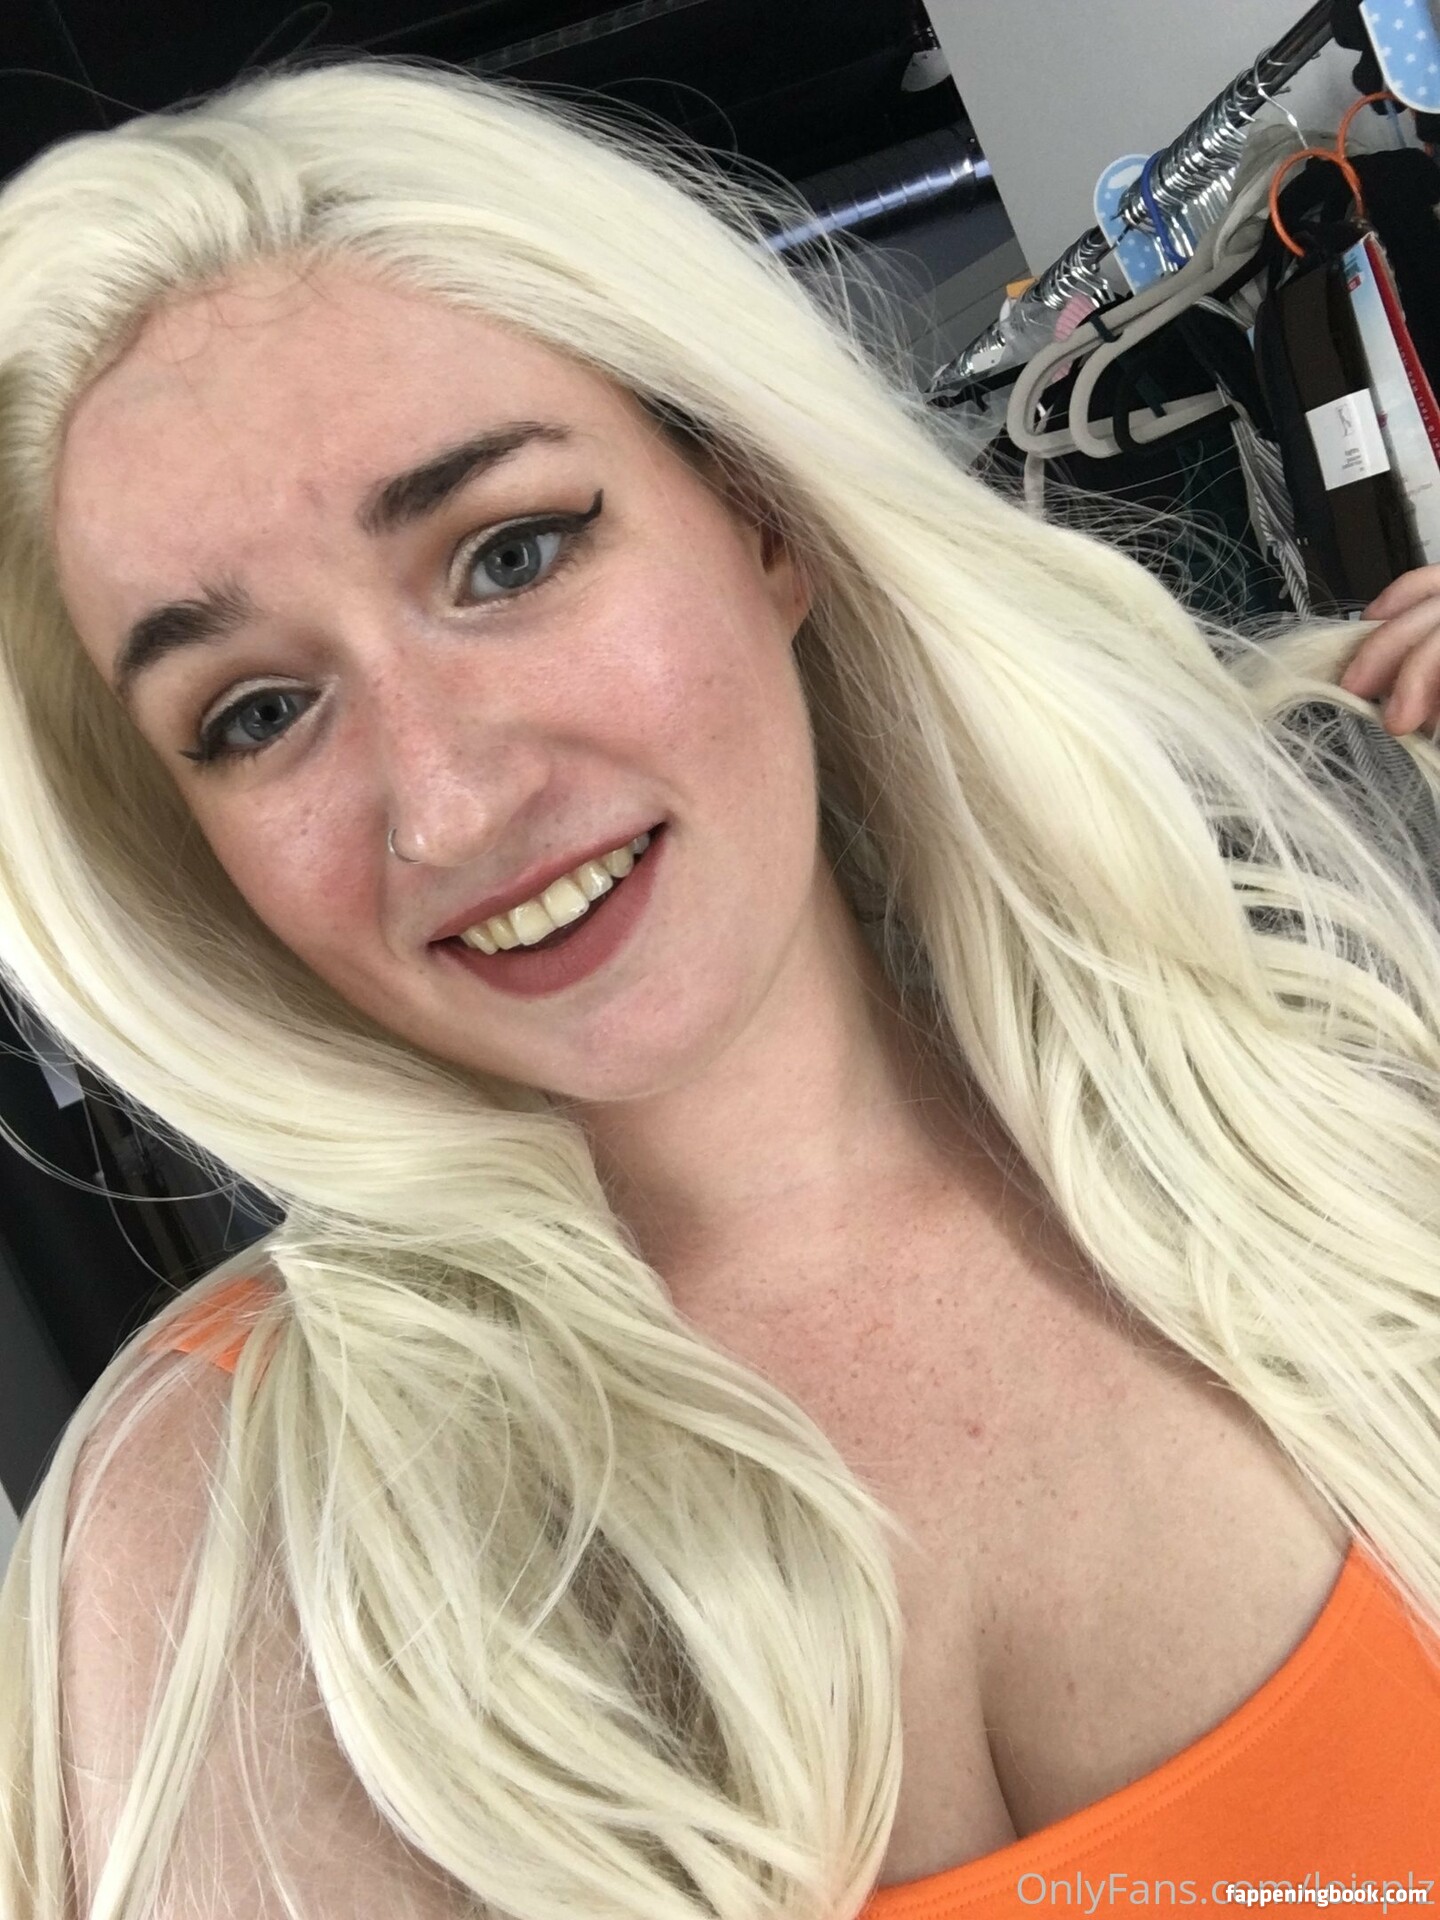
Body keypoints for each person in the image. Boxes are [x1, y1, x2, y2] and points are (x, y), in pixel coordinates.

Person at [1, 57, 1439, 1920]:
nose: (449, 805)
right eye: (258, 713)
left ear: (757, 514)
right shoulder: (231, 1548)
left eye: (510, 554)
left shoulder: (1350, 1057)